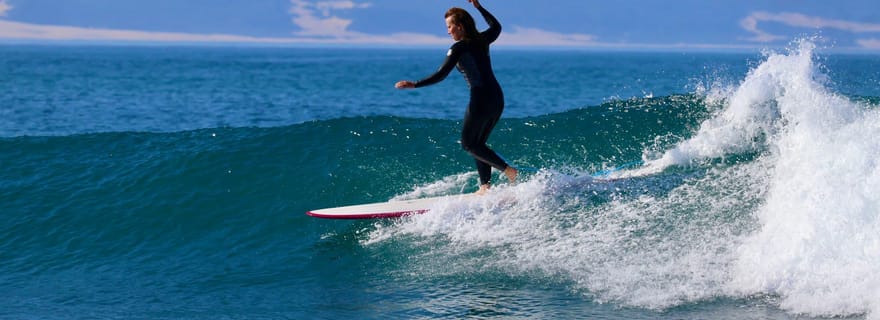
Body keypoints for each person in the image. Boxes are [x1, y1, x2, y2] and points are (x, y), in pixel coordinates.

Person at [395, 0, 517, 195]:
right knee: (478, 144)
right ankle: (485, 186)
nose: (448, 31)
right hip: (497, 98)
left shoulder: (458, 48)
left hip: (480, 99)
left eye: (450, 27)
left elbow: (441, 74)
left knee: (469, 144)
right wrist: (478, 7)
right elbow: (497, 26)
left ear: (459, 27)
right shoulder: (482, 40)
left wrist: (415, 84)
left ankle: (509, 171)